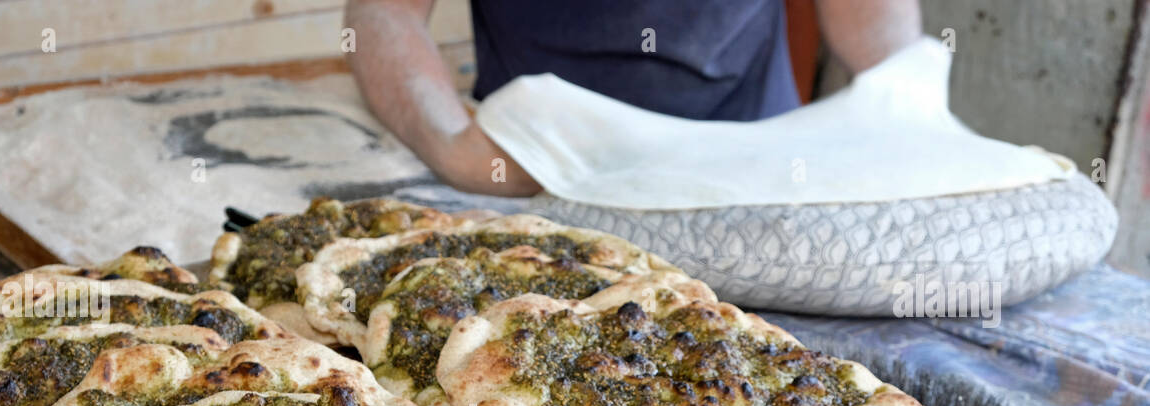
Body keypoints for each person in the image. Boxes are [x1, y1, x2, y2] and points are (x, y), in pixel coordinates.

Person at [344, 0, 922, 197]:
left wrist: (905, 104)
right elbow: (385, 11)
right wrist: (451, 147)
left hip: (757, 167)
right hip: (536, 173)